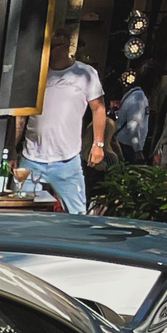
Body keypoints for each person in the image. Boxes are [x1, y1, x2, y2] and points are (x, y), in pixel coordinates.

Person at [17, 36, 106, 213]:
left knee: (78, 215)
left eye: (55, 45)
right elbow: (20, 116)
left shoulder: (85, 73)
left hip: (67, 158)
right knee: (20, 214)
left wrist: (98, 144)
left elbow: (98, 108)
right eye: (46, 45)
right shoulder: (34, 73)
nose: (50, 50)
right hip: (31, 157)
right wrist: (11, 148)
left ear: (67, 44)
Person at [115, 71, 150, 164]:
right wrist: (138, 151)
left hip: (124, 144)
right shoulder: (139, 97)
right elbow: (133, 126)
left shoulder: (131, 95)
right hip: (128, 147)